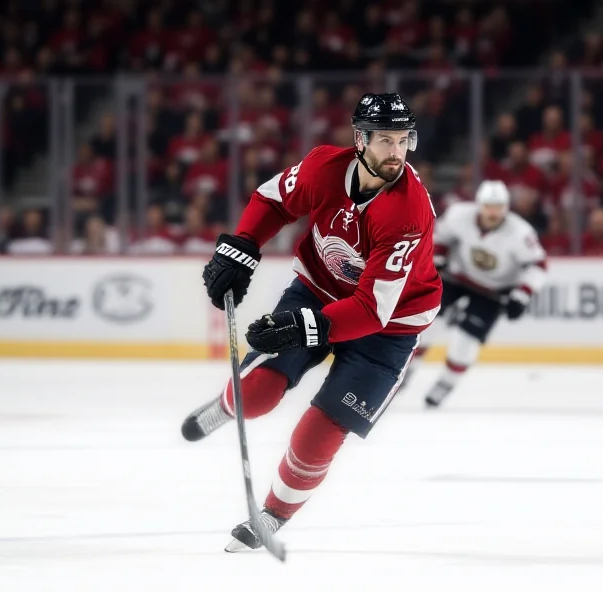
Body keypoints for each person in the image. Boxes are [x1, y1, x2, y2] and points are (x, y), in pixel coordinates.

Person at [180, 93, 442, 551]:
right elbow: (273, 200)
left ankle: (273, 514)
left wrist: (303, 328)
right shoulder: (324, 167)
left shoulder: (406, 212)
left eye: (404, 141)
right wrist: (242, 246)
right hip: (318, 289)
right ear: (360, 140)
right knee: (258, 391)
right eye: (386, 140)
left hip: (389, 327)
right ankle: (226, 406)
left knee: (319, 431)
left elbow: (371, 310)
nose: (397, 153)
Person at [404, 180, 548, 408]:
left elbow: (537, 264)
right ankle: (406, 368)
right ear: (479, 204)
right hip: (457, 278)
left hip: (493, 292)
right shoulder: (459, 215)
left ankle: (447, 383)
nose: (493, 211)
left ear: (506, 207)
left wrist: (523, 294)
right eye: (489, 205)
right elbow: (439, 238)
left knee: (466, 340)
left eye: (498, 206)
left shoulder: (520, 233)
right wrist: (438, 261)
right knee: (427, 323)